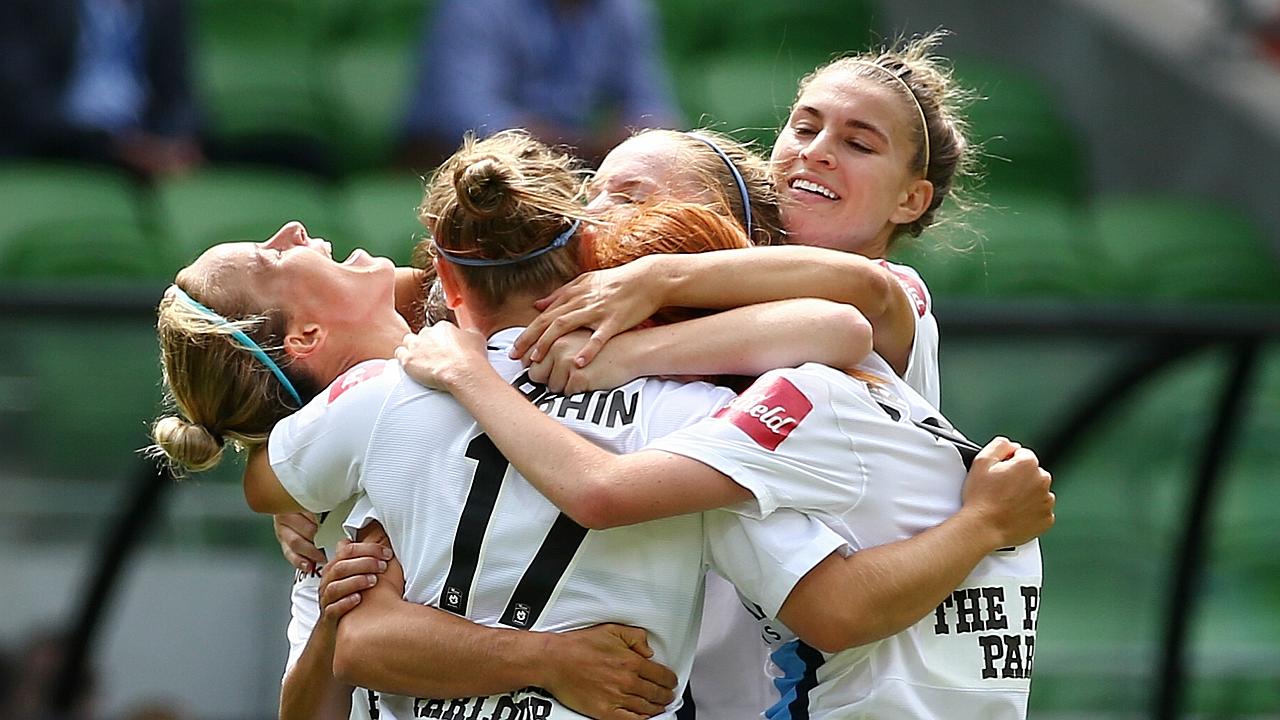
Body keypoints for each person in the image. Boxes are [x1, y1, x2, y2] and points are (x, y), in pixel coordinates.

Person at [150, 132, 1048, 717]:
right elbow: (353, 643)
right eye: (596, 200)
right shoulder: (693, 413)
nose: (606, 217)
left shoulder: (392, 401)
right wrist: (548, 661)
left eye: (629, 198)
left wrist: (282, 475)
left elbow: (856, 311)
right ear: (581, 255)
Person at [399, 0, 680, 168]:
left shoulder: (624, 8)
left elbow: (655, 110)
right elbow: (465, 116)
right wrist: (567, 144)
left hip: (569, 160)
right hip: (456, 159)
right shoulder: (477, 6)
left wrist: (633, 136)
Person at [0, 0, 202, 178]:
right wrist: (113, 148)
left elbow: (178, 94)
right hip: (51, 151)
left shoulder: (165, 5)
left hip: (141, 146)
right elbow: (20, 102)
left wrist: (176, 143)